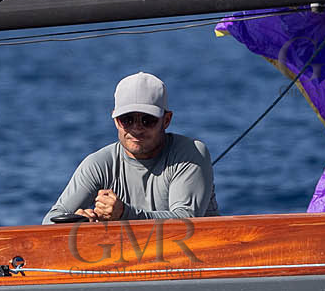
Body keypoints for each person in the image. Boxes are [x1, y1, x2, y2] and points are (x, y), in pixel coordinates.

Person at [45, 72, 219, 222]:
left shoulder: (191, 154)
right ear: (116, 121)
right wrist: (78, 222)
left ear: (166, 120)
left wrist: (124, 214)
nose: (136, 129)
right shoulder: (98, 164)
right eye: (127, 120)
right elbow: (50, 221)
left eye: (147, 120)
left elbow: (186, 221)